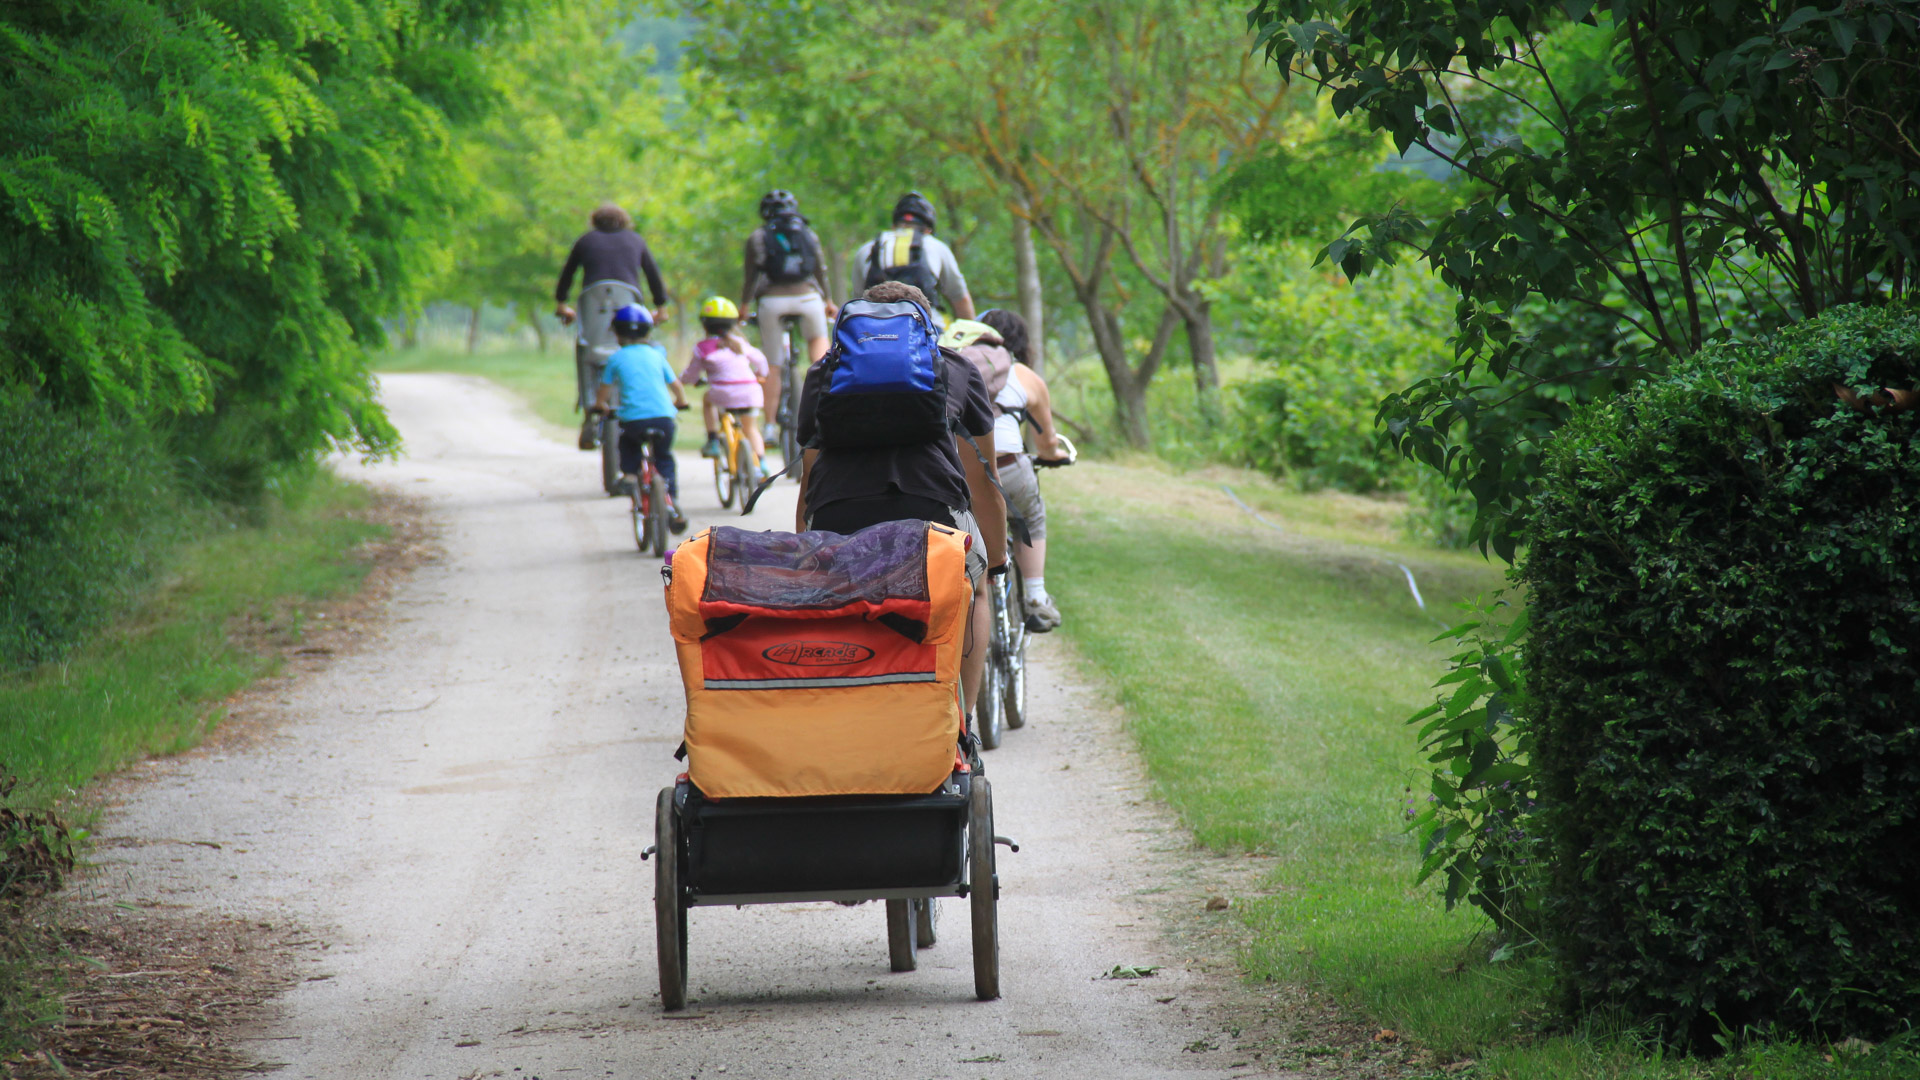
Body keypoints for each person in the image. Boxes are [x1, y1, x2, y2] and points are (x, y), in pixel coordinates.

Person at [794, 281, 1007, 716]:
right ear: (926, 324)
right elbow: (982, 477)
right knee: (975, 590)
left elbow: (810, 473)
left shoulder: (824, 373)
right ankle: (962, 724)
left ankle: (848, 712)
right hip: (931, 508)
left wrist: (806, 552)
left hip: (840, 512)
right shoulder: (956, 368)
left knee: (841, 606)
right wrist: (997, 561)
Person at [975, 308, 1070, 631]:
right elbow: (1047, 443)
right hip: (1010, 467)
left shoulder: (957, 365)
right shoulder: (1025, 376)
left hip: (963, 472)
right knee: (1030, 516)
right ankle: (1036, 596)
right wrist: (1055, 454)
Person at [555, 202, 672, 449]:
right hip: (629, 308)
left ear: (594, 221)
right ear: (624, 221)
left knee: (585, 348)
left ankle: (589, 410)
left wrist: (562, 304)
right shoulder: (636, 240)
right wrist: (661, 307)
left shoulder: (585, 241)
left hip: (592, 309)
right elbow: (653, 274)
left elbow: (567, 274)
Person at [592, 304, 690, 533]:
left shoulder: (616, 359)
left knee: (627, 444)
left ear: (616, 333)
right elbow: (675, 385)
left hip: (634, 421)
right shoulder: (657, 355)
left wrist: (600, 406)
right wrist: (681, 402)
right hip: (664, 419)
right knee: (664, 457)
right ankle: (672, 501)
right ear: (648, 331)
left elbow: (604, 390)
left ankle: (627, 475)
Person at [741, 190, 837, 421]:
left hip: (772, 301)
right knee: (817, 343)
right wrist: (828, 301)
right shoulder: (808, 234)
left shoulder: (758, 237)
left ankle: (770, 425)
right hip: (808, 299)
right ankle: (822, 393)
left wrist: (743, 305)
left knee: (773, 364)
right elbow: (820, 271)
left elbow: (751, 277)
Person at [848, 192, 976, 329]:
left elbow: (857, 304)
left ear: (894, 226)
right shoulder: (936, 246)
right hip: (925, 331)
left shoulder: (866, 249)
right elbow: (960, 299)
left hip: (874, 332)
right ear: (928, 230)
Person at [683, 297, 769, 466]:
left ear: (705, 324)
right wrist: (761, 374)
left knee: (707, 401)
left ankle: (713, 439)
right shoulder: (739, 343)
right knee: (751, 428)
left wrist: (687, 380)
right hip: (750, 391)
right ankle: (763, 464)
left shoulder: (702, 347)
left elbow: (690, 374)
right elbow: (760, 360)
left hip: (722, 392)